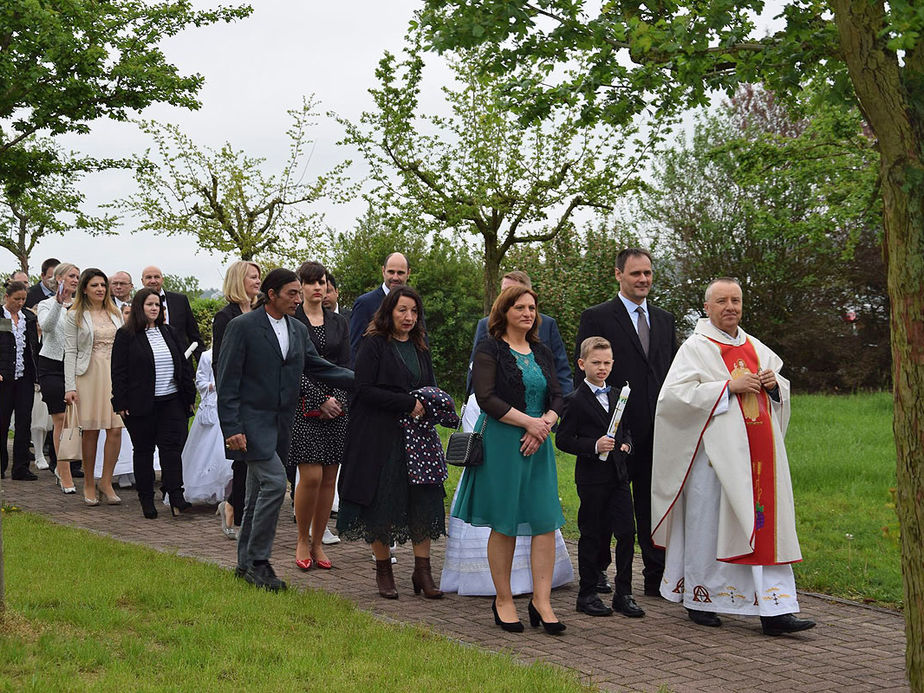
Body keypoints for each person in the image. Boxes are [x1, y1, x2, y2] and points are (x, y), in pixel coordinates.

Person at [651, 278, 816, 636]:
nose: (730, 307)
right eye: (722, 301)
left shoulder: (756, 347)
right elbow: (673, 400)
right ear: (706, 307)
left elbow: (780, 390)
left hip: (760, 459)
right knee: (711, 529)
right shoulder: (695, 348)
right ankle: (702, 599)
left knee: (763, 526)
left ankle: (776, 608)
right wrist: (727, 388)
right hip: (713, 463)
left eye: (736, 300)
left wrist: (774, 386)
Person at [217, 269, 353, 592]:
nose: (297, 298)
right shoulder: (242, 327)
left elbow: (317, 366)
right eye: (291, 293)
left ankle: (244, 564)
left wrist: (359, 379)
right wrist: (232, 427)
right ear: (272, 293)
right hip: (250, 426)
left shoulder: (296, 329)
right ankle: (261, 562)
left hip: (282, 426)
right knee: (277, 485)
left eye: (298, 293)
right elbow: (227, 381)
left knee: (253, 497)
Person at [441, 270, 574, 596]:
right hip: (503, 442)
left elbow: (558, 391)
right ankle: (503, 599)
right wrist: (528, 423)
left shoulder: (541, 350)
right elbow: (485, 396)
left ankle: (542, 602)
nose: (528, 314)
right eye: (520, 308)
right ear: (504, 312)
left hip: (539, 442)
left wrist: (545, 422)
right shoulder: (490, 348)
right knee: (505, 523)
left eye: (532, 308)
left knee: (544, 521)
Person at [574, 248, 677, 597]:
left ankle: (655, 576)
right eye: (636, 274)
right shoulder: (597, 317)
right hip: (612, 432)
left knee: (653, 503)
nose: (644, 280)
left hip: (657, 430)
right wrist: (594, 429)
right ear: (618, 275)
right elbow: (584, 378)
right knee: (604, 506)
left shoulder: (665, 320)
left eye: (648, 273)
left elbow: (672, 374)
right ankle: (599, 571)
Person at [337, 285, 447, 599]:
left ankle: (422, 571)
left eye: (414, 311)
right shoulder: (374, 344)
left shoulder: (420, 345)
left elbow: (429, 385)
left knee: (423, 503)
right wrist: (405, 403)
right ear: (389, 311)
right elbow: (363, 389)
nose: (409, 317)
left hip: (418, 439)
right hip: (380, 439)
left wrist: (434, 404)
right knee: (383, 503)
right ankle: (384, 570)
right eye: (402, 310)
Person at [556, 336, 641, 618]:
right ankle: (587, 593)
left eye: (606, 363)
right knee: (593, 534)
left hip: (618, 475)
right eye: (596, 363)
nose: (602, 368)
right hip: (592, 479)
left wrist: (626, 443)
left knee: (627, 532)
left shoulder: (619, 395)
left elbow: (626, 429)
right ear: (582, 364)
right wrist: (593, 446)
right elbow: (564, 440)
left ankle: (623, 593)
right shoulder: (575, 400)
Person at [287, 262, 351, 570]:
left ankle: (317, 542)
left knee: (329, 479)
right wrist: (318, 398)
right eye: (310, 282)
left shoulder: (339, 322)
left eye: (322, 282)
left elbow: (345, 365)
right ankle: (301, 538)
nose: (317, 287)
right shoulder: (292, 320)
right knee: (310, 476)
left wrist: (337, 400)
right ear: (300, 286)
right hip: (303, 404)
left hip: (337, 406)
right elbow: (291, 366)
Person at [111, 288, 195, 518]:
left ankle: (176, 496)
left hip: (171, 401)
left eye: (157, 304)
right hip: (141, 404)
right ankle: (146, 500)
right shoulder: (126, 335)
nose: (154, 308)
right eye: (149, 304)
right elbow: (118, 372)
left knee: (171, 450)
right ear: (140, 307)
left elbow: (184, 367)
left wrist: (188, 398)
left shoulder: (170, 332)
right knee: (144, 451)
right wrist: (120, 402)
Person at [63, 268, 124, 505]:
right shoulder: (75, 315)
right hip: (87, 375)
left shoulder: (116, 313)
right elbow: (70, 351)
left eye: (102, 285)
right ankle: (88, 482)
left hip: (114, 374)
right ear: (85, 289)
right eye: (95, 285)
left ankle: (106, 481)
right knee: (90, 431)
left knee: (116, 429)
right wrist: (70, 386)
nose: (100, 289)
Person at [211, 260, 262, 538]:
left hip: (262, 395)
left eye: (258, 277)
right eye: (252, 277)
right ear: (238, 281)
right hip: (240, 396)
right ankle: (235, 510)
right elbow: (221, 362)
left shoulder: (263, 312)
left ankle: (239, 508)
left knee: (257, 457)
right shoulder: (225, 317)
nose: (257, 281)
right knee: (243, 457)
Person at [35, 262, 82, 493]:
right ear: (59, 278)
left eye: (77, 276)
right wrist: (58, 302)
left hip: (75, 367)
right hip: (51, 366)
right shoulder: (45, 304)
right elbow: (47, 326)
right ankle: (63, 471)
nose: (75, 279)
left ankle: (73, 463)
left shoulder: (81, 306)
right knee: (61, 419)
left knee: (76, 420)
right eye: (71, 276)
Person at [182, 348, 234, 513]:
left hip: (230, 403)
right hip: (213, 405)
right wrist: (213, 385)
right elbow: (200, 381)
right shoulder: (206, 356)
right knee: (209, 449)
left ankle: (231, 492)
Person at [1, 281, 39, 480]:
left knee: (24, 422)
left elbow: (33, 347)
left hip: (24, 377)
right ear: (7, 297)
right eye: (17, 299)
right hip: (3, 377)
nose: (20, 303)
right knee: (2, 421)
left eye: (23, 299)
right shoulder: (1, 317)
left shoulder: (29, 318)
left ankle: (21, 468)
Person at [348, 251, 410, 362]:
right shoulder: (365, 304)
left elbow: (422, 344)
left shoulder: (413, 304)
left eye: (400, 273)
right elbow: (354, 348)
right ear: (383, 271)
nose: (395, 277)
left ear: (408, 273)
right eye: (391, 272)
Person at [140, 265, 203, 362]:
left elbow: (193, 333)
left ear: (162, 279)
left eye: (156, 277)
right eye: (148, 277)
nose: (153, 281)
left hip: (182, 359)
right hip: (149, 361)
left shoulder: (180, 300)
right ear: (142, 281)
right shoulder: (135, 303)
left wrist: (203, 363)